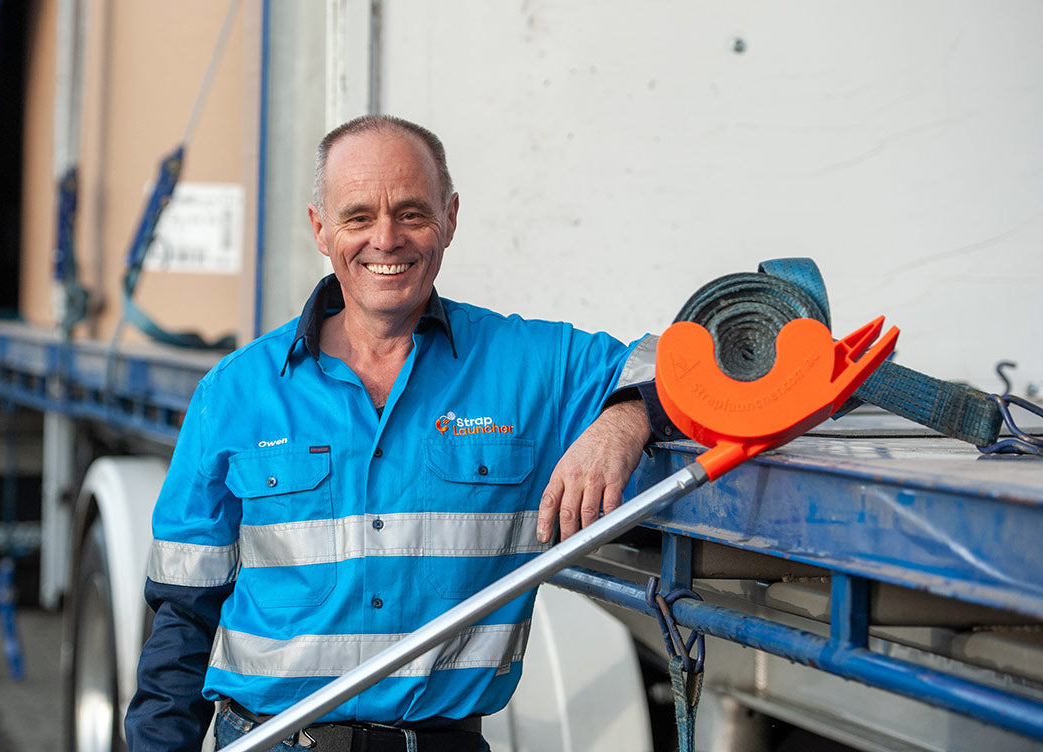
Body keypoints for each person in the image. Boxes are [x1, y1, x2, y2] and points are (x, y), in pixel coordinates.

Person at [124, 115, 678, 752]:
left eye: (411, 213)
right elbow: (182, 619)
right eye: (358, 217)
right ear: (320, 229)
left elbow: (690, 357)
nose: (386, 240)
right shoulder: (235, 393)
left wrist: (625, 417)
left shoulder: (531, 368)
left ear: (450, 218)